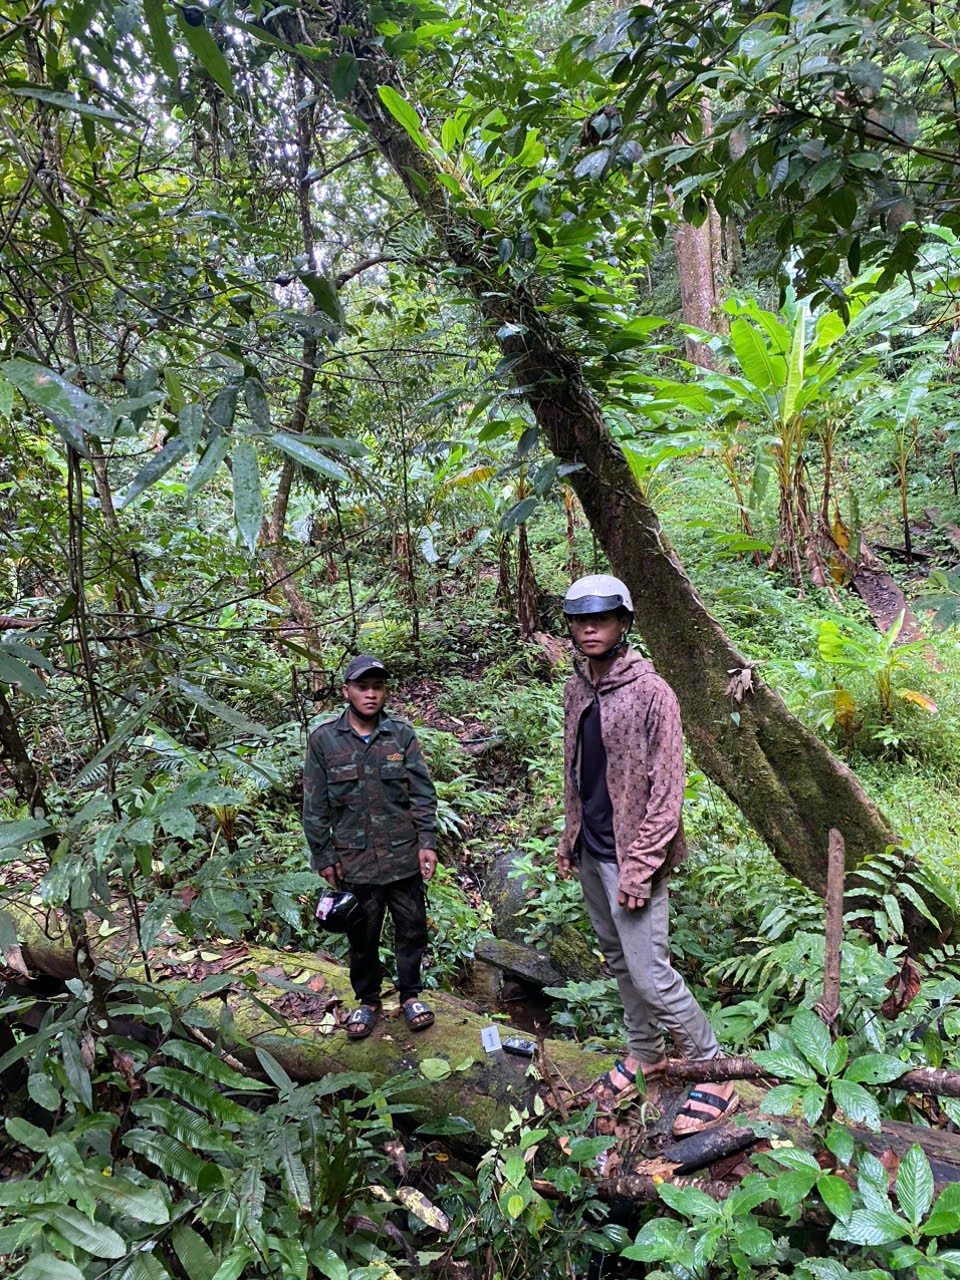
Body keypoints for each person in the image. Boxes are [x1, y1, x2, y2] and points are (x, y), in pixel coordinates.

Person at [557, 575, 738, 1136]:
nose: (590, 629)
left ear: (623, 624)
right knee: (618, 961)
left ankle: (714, 1070)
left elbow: (668, 792)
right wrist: (570, 838)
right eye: (581, 620)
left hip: (633, 855)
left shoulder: (652, 693)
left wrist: (639, 867)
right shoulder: (577, 689)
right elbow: (576, 771)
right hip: (593, 849)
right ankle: (646, 1053)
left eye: (602, 619)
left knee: (650, 972)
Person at [302, 654, 439, 1039]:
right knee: (362, 936)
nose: (371, 694)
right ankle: (368, 1001)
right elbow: (314, 805)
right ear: (346, 691)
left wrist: (427, 842)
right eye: (363, 687)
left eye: (378, 687)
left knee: (411, 929)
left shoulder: (401, 735)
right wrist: (323, 855)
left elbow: (422, 793)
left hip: (402, 856)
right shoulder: (324, 741)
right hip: (355, 861)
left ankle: (411, 994)